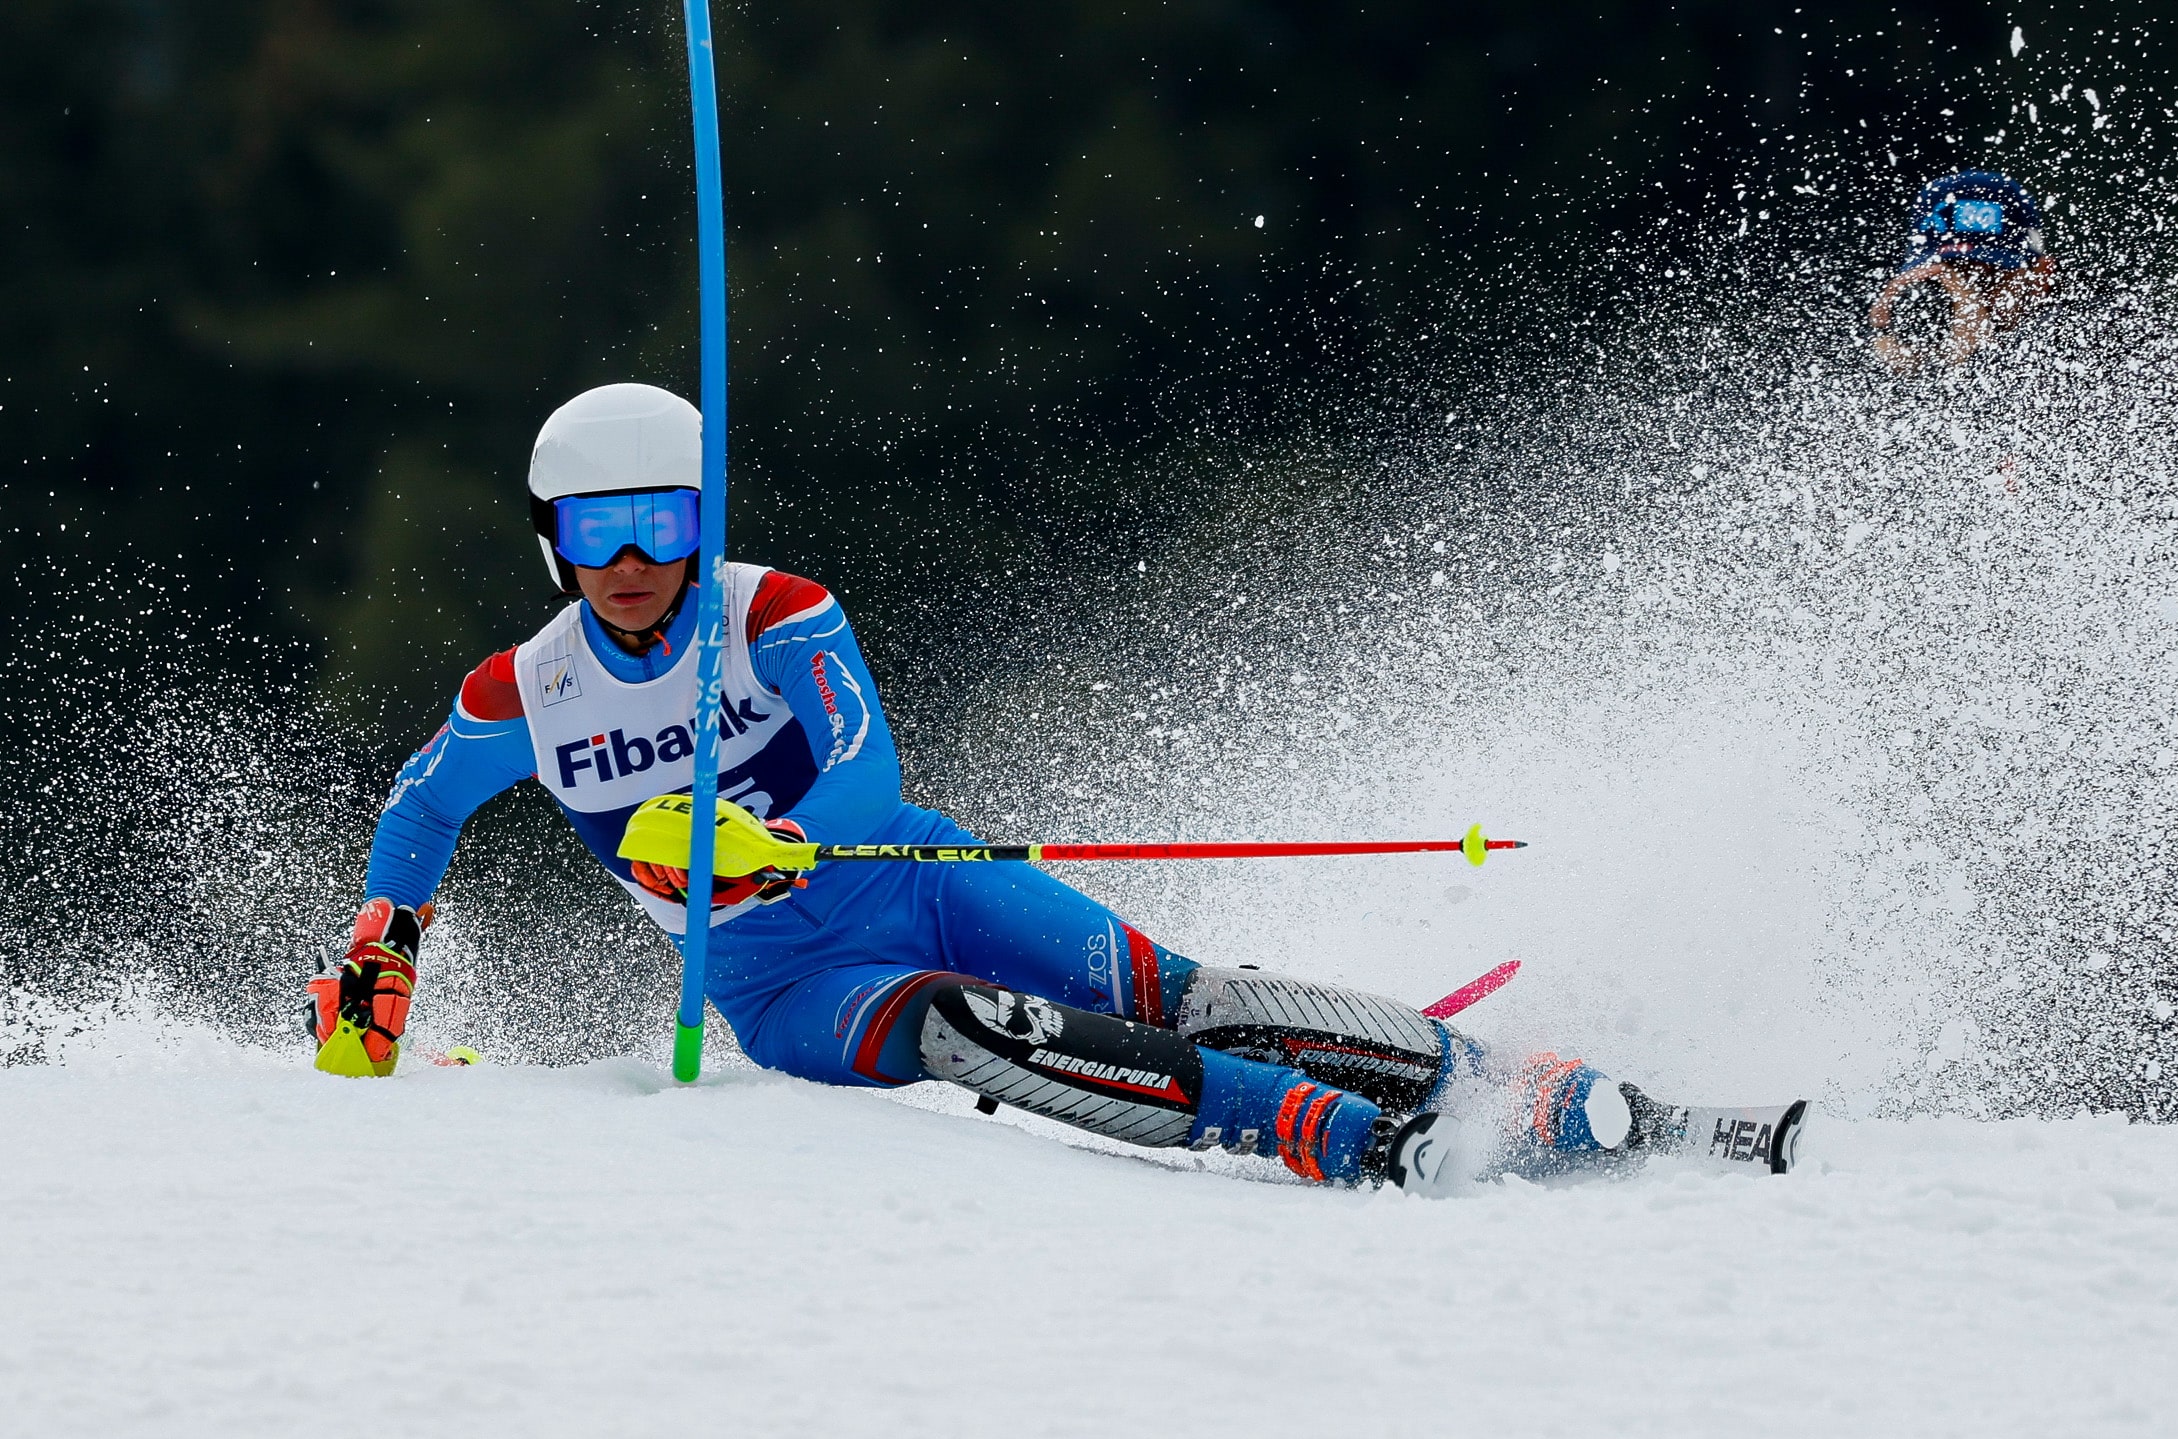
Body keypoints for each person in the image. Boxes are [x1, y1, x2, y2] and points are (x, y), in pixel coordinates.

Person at [307, 382, 1806, 1193]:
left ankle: (1525, 1087)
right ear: (548, 538)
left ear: (703, 522)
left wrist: (752, 834)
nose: (632, 563)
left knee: (1175, 989)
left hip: (918, 876)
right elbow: (423, 810)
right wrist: (386, 949)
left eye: (662, 523)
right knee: (967, 1034)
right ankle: (1328, 1137)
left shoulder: (776, 614)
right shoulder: (529, 693)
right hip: (779, 989)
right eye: (598, 531)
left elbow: (861, 770)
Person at [1869, 170, 2057, 372]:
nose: (1958, 300)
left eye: (1983, 279)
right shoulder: (1852, 358)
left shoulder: (2077, 345)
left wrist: (1972, 354)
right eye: (1936, 283)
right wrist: (1886, 341)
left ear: (2041, 277)